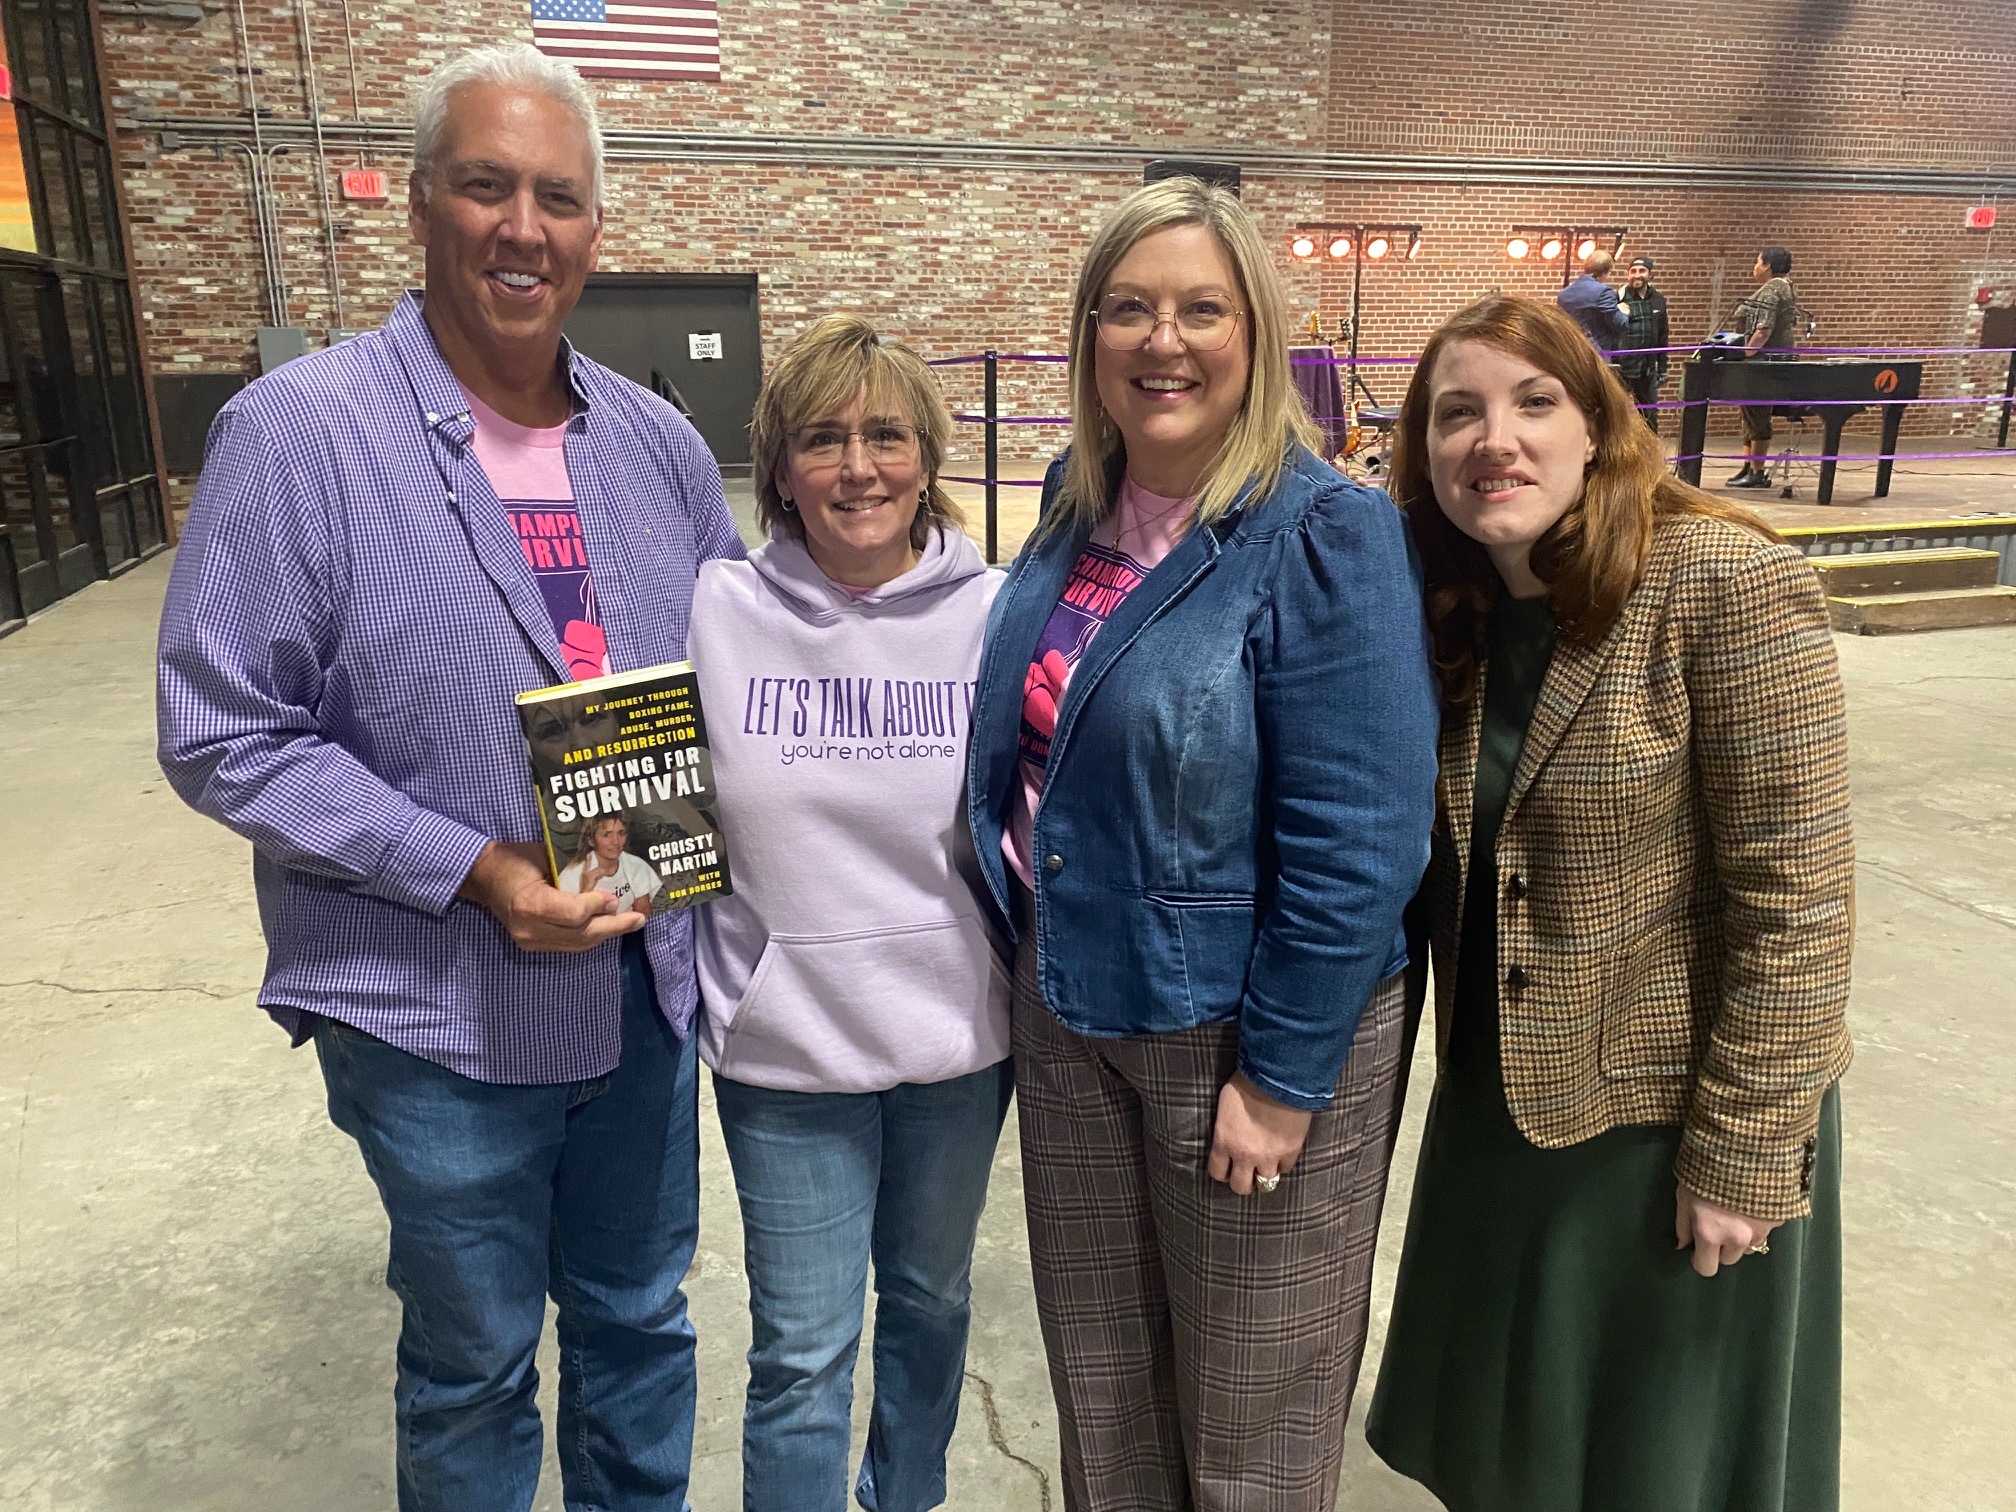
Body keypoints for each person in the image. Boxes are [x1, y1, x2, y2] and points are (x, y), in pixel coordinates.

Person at [155, 44, 744, 1511]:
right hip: (436, 1009)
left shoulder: (661, 449)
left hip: (642, 985)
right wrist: (478, 871)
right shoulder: (298, 435)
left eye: (560, 197)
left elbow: (743, 676)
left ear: (597, 229)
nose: (523, 228)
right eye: (486, 186)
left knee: (639, 1326)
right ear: (419, 204)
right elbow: (222, 727)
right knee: (475, 1365)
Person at [966, 176, 1439, 1510]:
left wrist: (1283, 1077)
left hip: (1238, 1026)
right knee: (1104, 1390)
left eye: (1200, 310)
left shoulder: (1327, 533)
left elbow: (1360, 842)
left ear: (1256, 335)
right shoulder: (1076, 498)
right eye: (1128, 309)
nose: (1161, 341)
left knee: (1249, 1422)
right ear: (1089, 335)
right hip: (1070, 996)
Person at [1364, 294, 1853, 1512]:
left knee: (1654, 1459)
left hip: (1664, 1120)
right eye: (1457, 414)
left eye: (1534, 403)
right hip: (1501, 1106)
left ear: (1597, 426)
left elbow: (1798, 904)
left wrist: (1743, 1152)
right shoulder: (1453, 603)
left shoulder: (1724, 582)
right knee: (1508, 1450)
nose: (1495, 440)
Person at [687, 313, 1012, 1512]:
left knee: (930, 1307)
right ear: (779, 468)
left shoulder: (997, 613)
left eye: (886, 437)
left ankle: (905, 1496)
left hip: (957, 1045)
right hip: (786, 1049)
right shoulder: (715, 607)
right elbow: (643, 807)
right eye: (821, 439)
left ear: (928, 458)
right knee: (803, 1354)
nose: (857, 467)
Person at [1728, 245, 1800, 487]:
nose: (1755, 267)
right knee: (1750, 414)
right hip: (1772, 362)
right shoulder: (1786, 286)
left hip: (1763, 364)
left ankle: (1757, 472)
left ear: (1767, 266)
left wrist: (1745, 354)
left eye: (1757, 262)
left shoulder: (1772, 289)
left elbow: (1764, 329)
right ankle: (1748, 467)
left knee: (1757, 415)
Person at [558, 814, 659, 915]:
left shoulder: (635, 865)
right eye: (606, 835)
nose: (616, 841)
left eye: (621, 833)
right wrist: (585, 892)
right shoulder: (570, 877)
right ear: (591, 840)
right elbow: (568, 921)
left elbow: (643, 913)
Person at [1616, 254, 1670, 430]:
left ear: (1650, 274)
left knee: (1649, 415)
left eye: (1642, 271)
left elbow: (1663, 335)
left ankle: (1650, 447)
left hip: (1646, 368)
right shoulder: (1618, 298)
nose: (1637, 275)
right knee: (1617, 414)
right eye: (1633, 271)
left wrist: (1663, 368)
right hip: (1622, 367)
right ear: (1627, 275)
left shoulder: (1658, 299)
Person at [1555, 249, 1627, 354]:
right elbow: (1619, 323)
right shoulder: (1604, 293)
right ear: (1607, 271)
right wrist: (1623, 312)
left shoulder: (1564, 294)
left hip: (1570, 351)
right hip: (1595, 352)